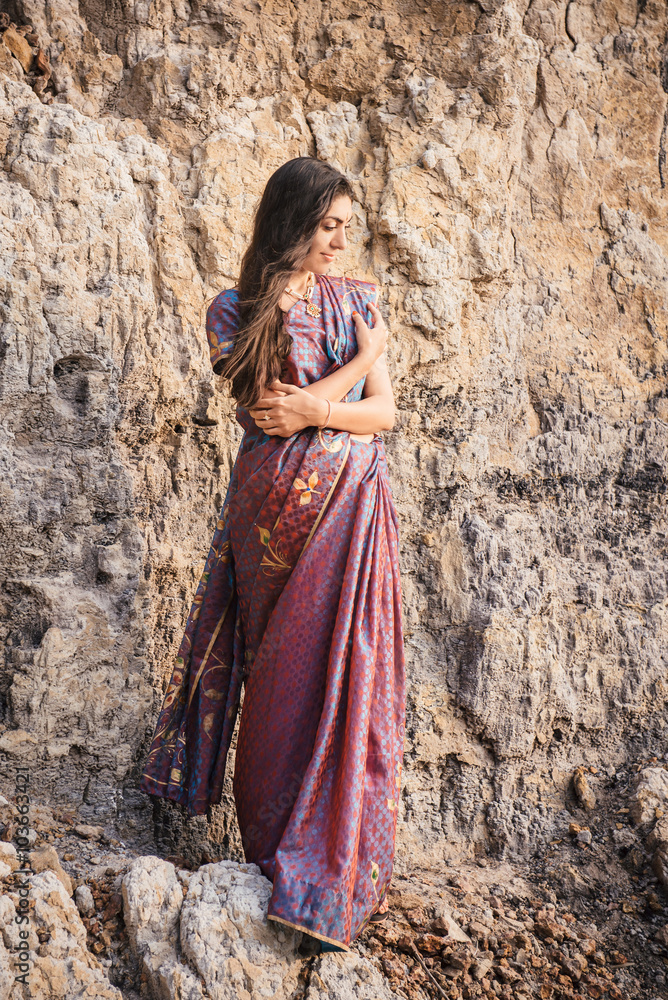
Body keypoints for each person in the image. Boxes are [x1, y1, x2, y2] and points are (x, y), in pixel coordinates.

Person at [139, 156, 406, 952]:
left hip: (349, 510)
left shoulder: (358, 301)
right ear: (291, 224)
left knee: (346, 678)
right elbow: (267, 411)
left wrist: (328, 399)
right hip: (268, 522)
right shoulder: (234, 309)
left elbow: (382, 415)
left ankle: (327, 876)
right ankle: (270, 852)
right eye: (328, 227)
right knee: (279, 681)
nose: (341, 242)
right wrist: (352, 373)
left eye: (347, 227)